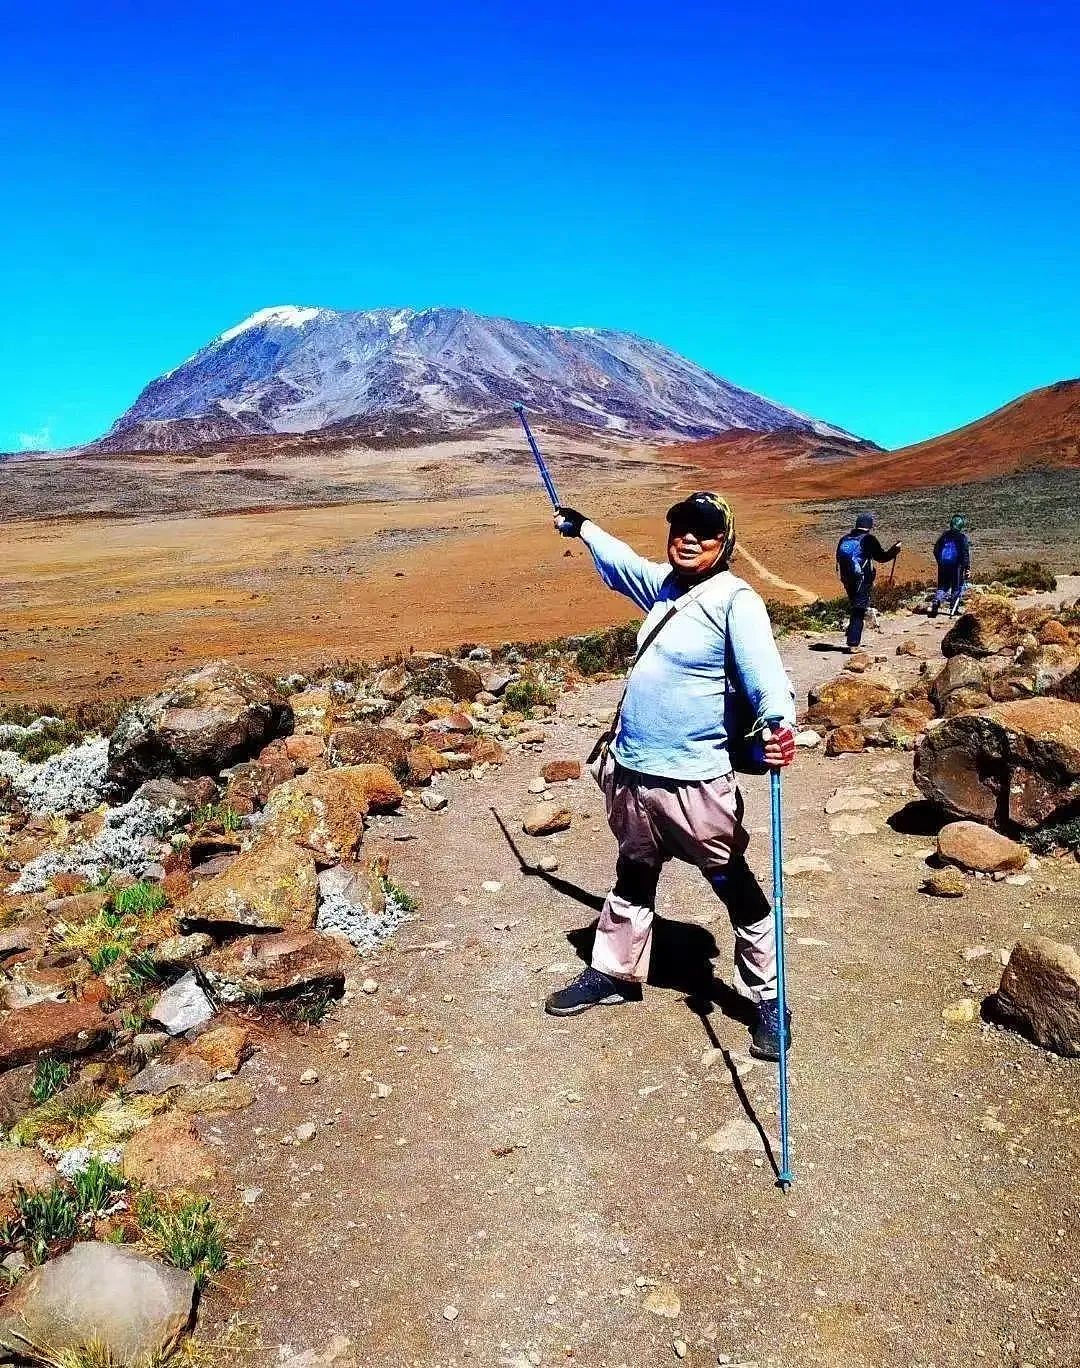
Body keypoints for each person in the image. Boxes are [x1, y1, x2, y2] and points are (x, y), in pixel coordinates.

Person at [543, 492, 797, 1061]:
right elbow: (620, 560)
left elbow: (766, 675)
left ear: (724, 542)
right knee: (633, 872)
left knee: (734, 885)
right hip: (634, 770)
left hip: (695, 780)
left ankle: (769, 999)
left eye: (704, 533)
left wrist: (778, 722)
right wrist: (583, 527)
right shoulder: (662, 587)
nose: (689, 538)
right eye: (681, 527)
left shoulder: (736, 601)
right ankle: (614, 972)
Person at [835, 511, 900, 652]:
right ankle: (853, 643)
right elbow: (882, 557)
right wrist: (895, 550)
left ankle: (852, 631)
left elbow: (839, 559)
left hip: (847, 578)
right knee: (859, 609)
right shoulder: (868, 539)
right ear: (870, 526)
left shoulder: (844, 538)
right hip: (862, 579)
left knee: (855, 606)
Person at [929, 513, 971, 617]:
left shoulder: (944, 535)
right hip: (957, 566)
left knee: (942, 586)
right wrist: (967, 568)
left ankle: (936, 601)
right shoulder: (962, 537)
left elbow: (936, 550)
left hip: (943, 565)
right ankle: (954, 609)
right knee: (956, 587)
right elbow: (965, 554)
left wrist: (940, 561)